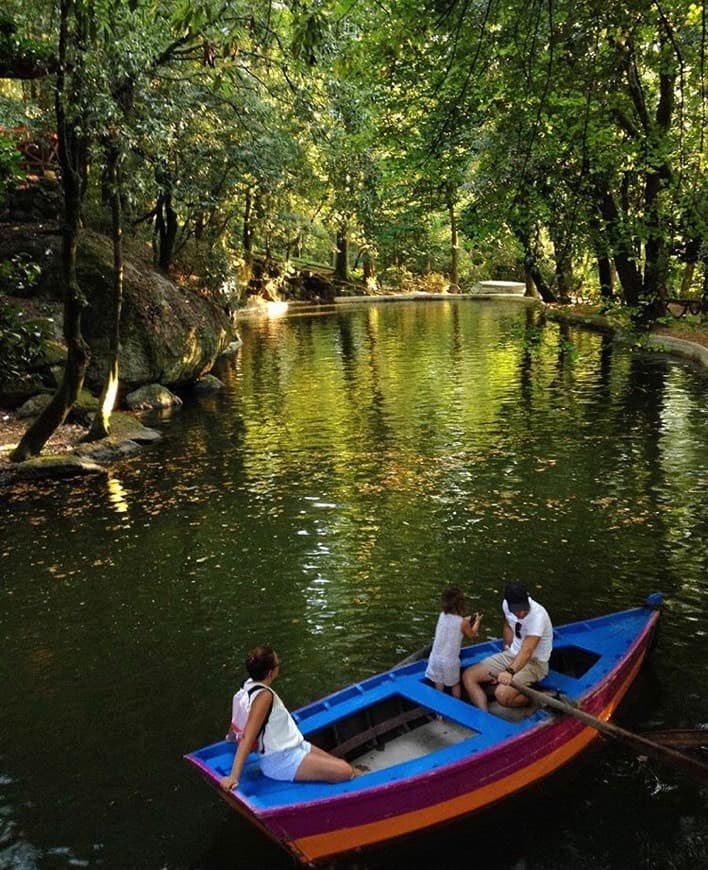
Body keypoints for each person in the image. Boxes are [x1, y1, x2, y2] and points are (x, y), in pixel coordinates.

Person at [219, 645, 355, 792]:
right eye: (278, 663)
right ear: (271, 672)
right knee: (345, 771)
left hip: (295, 746)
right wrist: (234, 777)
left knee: (348, 768)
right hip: (282, 760)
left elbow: (238, 713)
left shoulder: (248, 685)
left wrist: (230, 737)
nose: (279, 665)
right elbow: (247, 737)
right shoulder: (264, 697)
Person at [462, 582, 552, 710]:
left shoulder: (538, 616)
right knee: (469, 676)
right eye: (516, 610)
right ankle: (484, 715)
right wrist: (507, 646)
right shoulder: (506, 605)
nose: (520, 613)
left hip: (534, 662)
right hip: (512, 654)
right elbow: (509, 625)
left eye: (523, 609)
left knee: (502, 695)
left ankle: (535, 699)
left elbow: (527, 650)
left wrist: (509, 671)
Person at [425, 585, 482, 699]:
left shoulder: (442, 615)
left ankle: (439, 715)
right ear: (461, 604)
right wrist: (477, 622)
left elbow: (455, 622)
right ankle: (457, 705)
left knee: (439, 683)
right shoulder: (462, 623)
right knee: (455, 684)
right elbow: (471, 634)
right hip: (450, 662)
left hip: (435, 658)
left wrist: (467, 619)